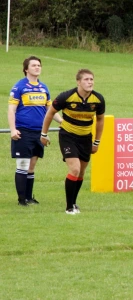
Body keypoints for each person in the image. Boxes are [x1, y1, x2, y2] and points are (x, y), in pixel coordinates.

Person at [40, 69, 105, 214]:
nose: (90, 82)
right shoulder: (66, 96)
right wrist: (43, 134)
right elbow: (50, 113)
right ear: (78, 82)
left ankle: (74, 203)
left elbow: (100, 120)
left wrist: (96, 142)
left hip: (86, 138)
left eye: (91, 79)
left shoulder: (98, 99)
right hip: (68, 136)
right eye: (86, 79)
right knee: (74, 169)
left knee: (81, 173)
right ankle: (69, 208)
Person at [8, 56, 56, 206]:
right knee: (22, 164)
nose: (37, 67)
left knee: (32, 165)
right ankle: (21, 200)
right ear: (26, 69)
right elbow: (11, 110)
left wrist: (63, 122)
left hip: (39, 132)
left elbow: (50, 110)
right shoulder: (19, 87)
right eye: (34, 65)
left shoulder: (44, 88)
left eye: (39, 65)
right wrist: (13, 130)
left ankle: (29, 198)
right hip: (23, 131)